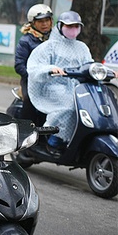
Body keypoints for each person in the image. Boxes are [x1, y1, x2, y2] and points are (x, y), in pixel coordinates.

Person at [27, 10, 93, 156]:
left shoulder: (82, 47)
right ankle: (54, 142)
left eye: (76, 26)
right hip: (53, 86)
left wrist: (102, 71)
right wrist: (51, 69)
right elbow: (34, 67)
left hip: (77, 87)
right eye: (69, 26)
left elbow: (89, 65)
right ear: (60, 26)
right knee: (70, 106)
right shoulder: (48, 47)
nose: (73, 29)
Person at [14, 4, 53, 126]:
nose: (45, 24)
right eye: (41, 21)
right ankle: (25, 132)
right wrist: (35, 77)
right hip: (31, 81)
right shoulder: (26, 41)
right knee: (30, 102)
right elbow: (19, 65)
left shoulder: (56, 39)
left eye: (47, 20)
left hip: (53, 80)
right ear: (32, 23)